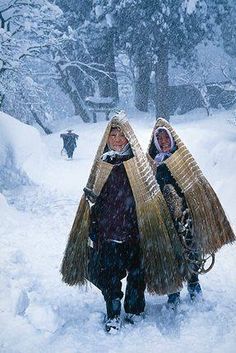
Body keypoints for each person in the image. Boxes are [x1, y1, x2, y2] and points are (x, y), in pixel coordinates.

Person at [61, 112, 184, 332]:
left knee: (137, 274)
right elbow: (94, 197)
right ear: (107, 138)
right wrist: (92, 226)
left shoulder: (139, 164)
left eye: (121, 135)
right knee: (110, 274)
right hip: (108, 231)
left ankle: (135, 311)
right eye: (113, 134)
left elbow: (150, 193)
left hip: (135, 231)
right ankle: (113, 312)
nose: (117, 139)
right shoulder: (102, 163)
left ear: (129, 138)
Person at [147, 118, 235, 308]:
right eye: (159, 139)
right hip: (164, 215)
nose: (163, 142)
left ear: (172, 140)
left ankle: (194, 283)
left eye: (166, 139)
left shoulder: (183, 161)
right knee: (170, 252)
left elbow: (194, 186)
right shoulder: (152, 165)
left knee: (190, 249)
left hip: (185, 215)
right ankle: (174, 291)